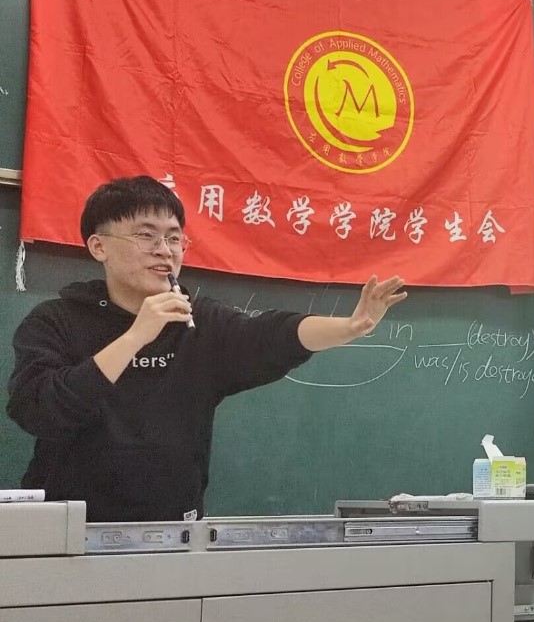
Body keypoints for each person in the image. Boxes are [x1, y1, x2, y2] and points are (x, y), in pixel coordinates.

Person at [6, 176, 407, 522]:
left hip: (176, 533)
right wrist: (134, 337)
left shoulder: (199, 321)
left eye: (174, 237)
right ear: (99, 246)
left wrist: (349, 327)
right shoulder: (55, 320)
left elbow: (271, 335)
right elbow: (39, 410)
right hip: (70, 530)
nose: (165, 249)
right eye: (146, 235)